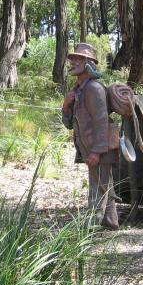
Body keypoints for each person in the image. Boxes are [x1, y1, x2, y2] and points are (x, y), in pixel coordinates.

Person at [61, 43, 119, 230]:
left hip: (100, 149)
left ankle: (90, 229)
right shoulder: (78, 90)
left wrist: (96, 151)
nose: (73, 62)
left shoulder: (94, 88)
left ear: (88, 63)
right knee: (104, 184)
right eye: (73, 59)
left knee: (97, 188)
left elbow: (102, 121)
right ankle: (111, 223)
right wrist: (66, 105)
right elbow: (69, 123)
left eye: (78, 59)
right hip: (92, 149)